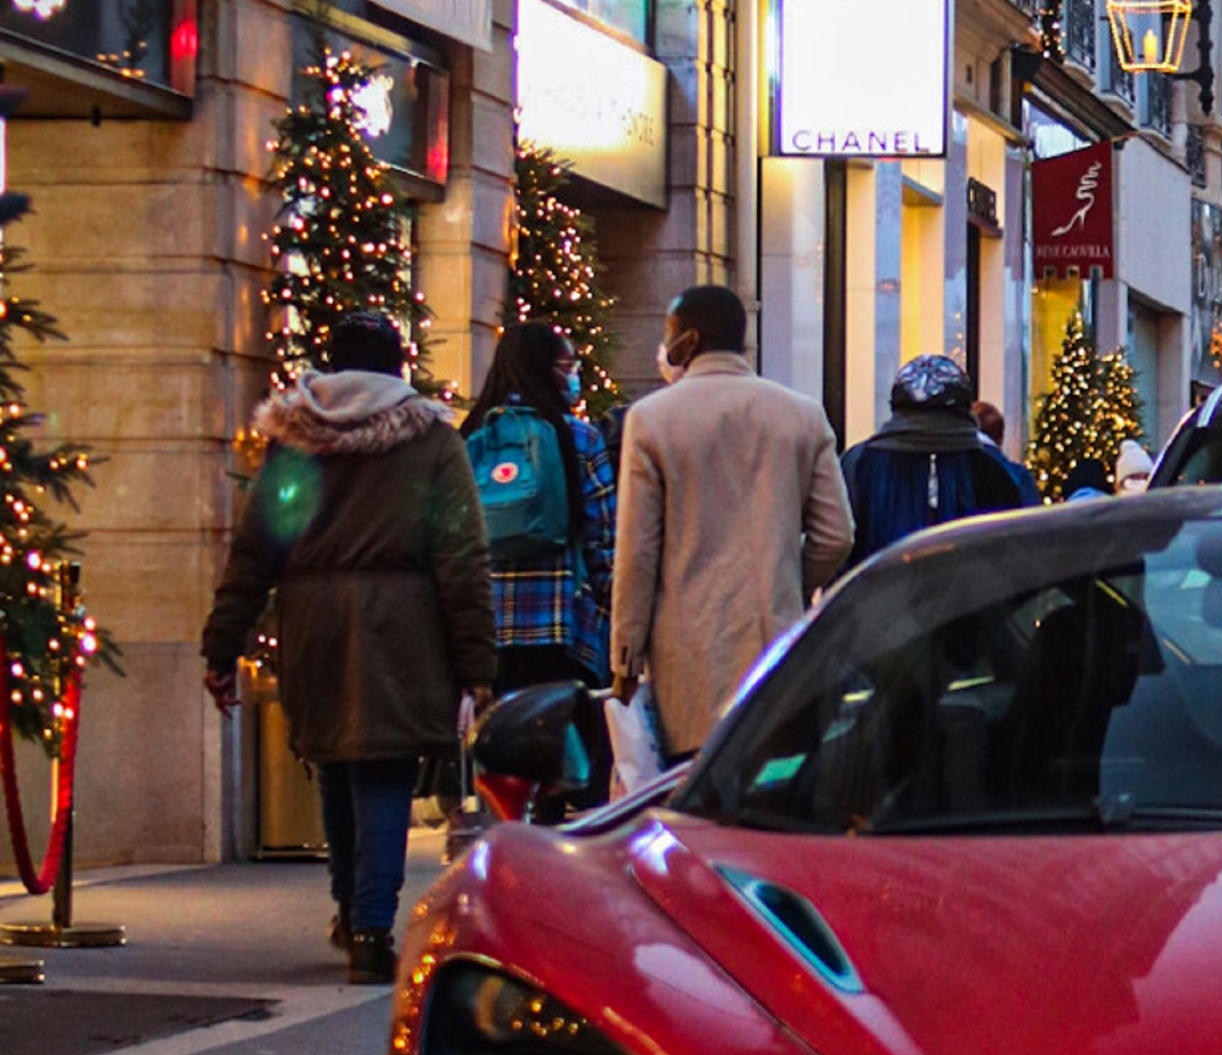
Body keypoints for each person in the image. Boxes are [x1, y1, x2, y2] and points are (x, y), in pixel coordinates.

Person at [202, 308, 497, 982]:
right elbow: (461, 554)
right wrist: (478, 665)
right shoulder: (430, 440)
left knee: (335, 762)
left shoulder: (297, 440)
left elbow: (258, 546)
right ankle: (370, 927)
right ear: (398, 365)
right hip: (403, 624)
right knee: (385, 769)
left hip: (315, 623)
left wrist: (223, 645)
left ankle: (347, 909)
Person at [611, 285, 853, 759]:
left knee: (695, 794)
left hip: (685, 650)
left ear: (690, 339)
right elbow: (836, 534)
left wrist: (626, 655)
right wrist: (787, 581)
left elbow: (636, 551)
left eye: (670, 333)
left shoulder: (652, 419)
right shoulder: (800, 415)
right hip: (774, 639)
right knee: (770, 784)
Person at [463, 321, 617, 694]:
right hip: (560, 624)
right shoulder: (580, 437)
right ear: (548, 369)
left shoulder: (470, 437)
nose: (573, 378)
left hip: (486, 628)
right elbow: (604, 538)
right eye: (568, 368)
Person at [843, 352, 1035, 559]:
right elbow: (1019, 552)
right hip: (972, 589)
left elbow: (839, 540)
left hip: (880, 588)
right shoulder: (997, 469)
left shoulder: (859, 464)